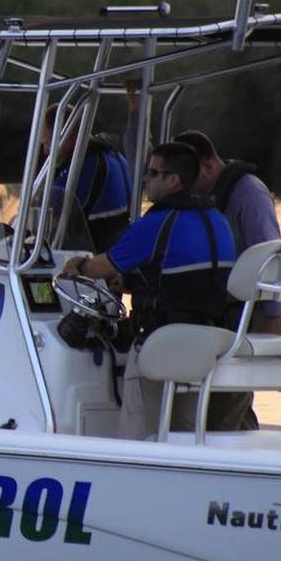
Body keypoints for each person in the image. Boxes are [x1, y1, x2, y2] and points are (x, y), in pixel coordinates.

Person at [61, 142, 237, 438]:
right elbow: (184, 280)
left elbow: (99, 268)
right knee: (186, 432)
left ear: (174, 181)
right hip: (207, 344)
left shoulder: (157, 222)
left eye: (153, 173)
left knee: (136, 430)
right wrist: (130, 283)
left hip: (161, 343)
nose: (144, 179)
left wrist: (75, 265)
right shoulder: (218, 220)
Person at [175, 130, 281, 431]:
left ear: (208, 167)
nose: (183, 185)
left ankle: (227, 445)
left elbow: (271, 255)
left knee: (224, 407)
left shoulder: (249, 193)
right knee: (220, 402)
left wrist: (273, 316)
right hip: (216, 315)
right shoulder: (204, 196)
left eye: (189, 175)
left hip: (245, 316)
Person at [42, 87, 137, 253]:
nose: (46, 151)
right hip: (115, 251)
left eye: (48, 143)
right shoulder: (113, 155)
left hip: (90, 259)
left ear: (70, 138)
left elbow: (54, 220)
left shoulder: (82, 167)